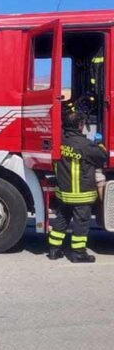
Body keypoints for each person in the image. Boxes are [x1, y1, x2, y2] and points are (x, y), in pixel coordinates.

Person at [47, 111, 107, 263]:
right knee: (81, 223)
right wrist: (99, 144)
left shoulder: (60, 140)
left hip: (64, 192)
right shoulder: (85, 144)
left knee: (61, 219)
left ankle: (54, 250)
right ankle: (78, 253)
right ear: (80, 125)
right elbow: (102, 157)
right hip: (82, 193)